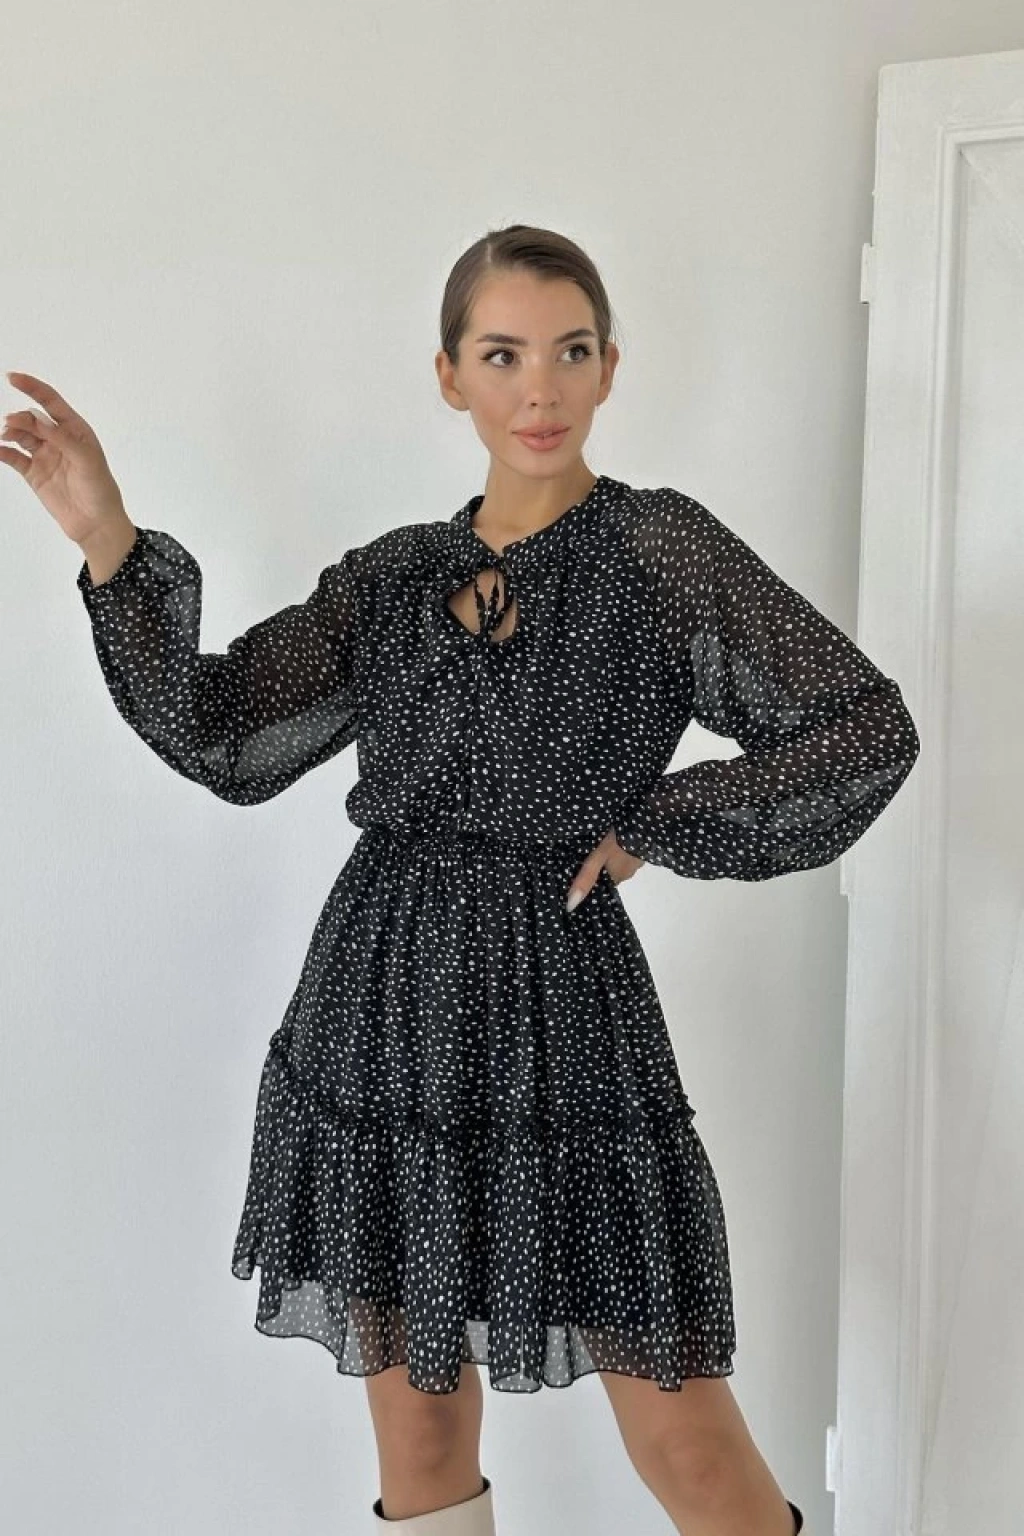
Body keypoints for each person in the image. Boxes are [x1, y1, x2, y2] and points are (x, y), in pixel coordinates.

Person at [2, 223, 919, 1536]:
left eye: (570, 352)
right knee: (422, 1430)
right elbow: (224, 734)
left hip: (566, 1017)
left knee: (688, 1441)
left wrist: (660, 821)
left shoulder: (659, 552)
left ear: (610, 369)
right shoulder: (391, 581)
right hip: (383, 1010)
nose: (539, 389)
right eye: (502, 356)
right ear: (449, 377)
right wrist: (106, 536)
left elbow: (861, 729)